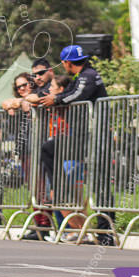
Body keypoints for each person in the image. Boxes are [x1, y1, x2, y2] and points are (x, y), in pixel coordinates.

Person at [40, 44, 111, 244]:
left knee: (101, 184)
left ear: (66, 63)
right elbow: (61, 94)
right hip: (82, 136)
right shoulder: (80, 77)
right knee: (49, 148)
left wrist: (57, 99)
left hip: (97, 136)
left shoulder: (88, 75)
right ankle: (58, 187)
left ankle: (106, 233)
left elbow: (76, 95)